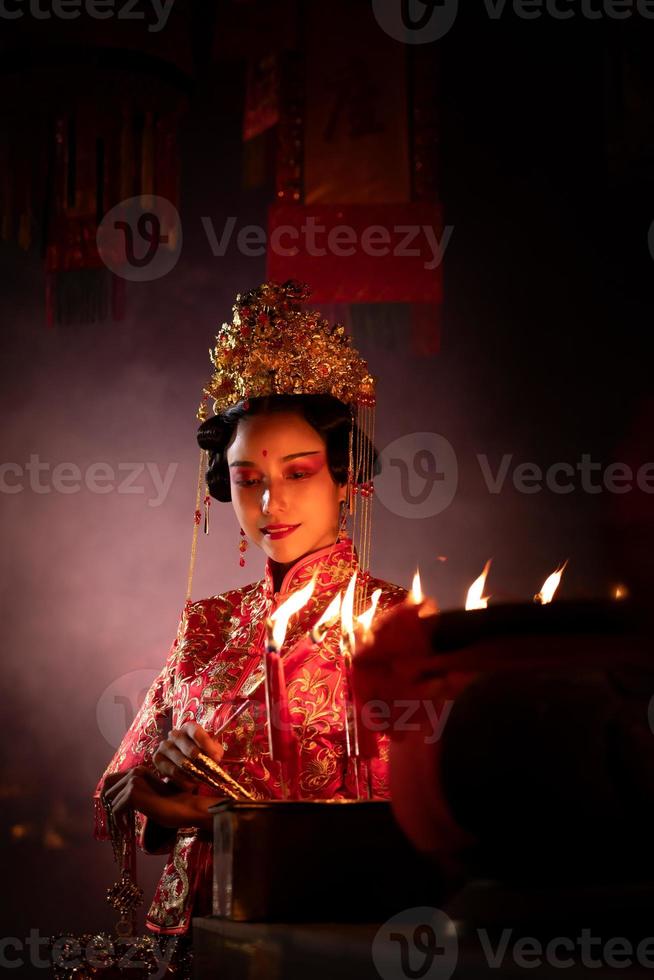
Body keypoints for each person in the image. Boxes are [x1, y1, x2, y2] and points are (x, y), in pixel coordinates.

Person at [92, 280, 408, 937]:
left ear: (344, 479)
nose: (271, 505)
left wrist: (226, 812)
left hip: (344, 922)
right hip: (205, 917)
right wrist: (162, 792)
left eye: (298, 473)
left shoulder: (396, 621)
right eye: (248, 481)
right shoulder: (209, 624)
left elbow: (428, 805)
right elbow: (119, 788)